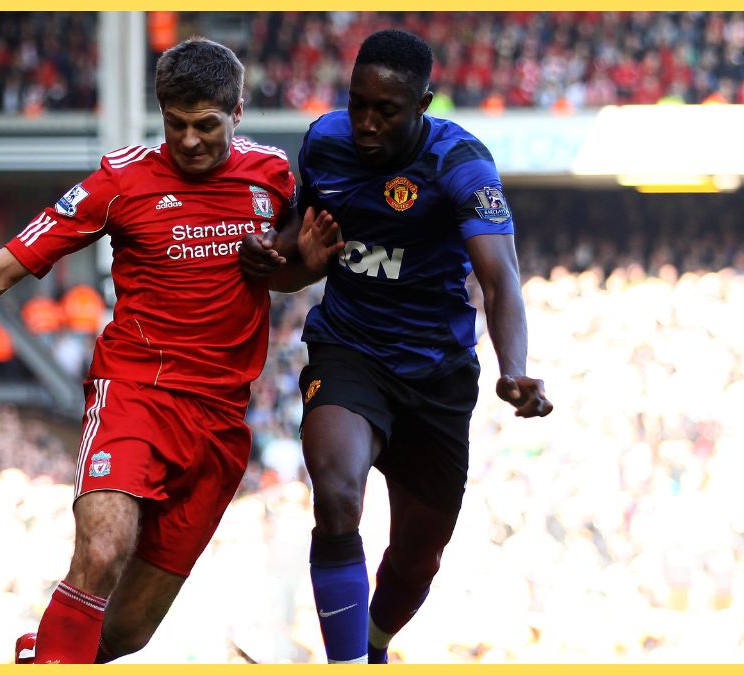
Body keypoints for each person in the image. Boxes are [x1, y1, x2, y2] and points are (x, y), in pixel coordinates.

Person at [0, 37, 303, 665]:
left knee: (129, 632)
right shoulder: (121, 180)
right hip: (137, 394)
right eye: (175, 124)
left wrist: (291, 261)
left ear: (237, 111)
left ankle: (42, 656)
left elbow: (294, 264)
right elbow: (4, 268)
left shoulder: (273, 174)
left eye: (205, 125)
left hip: (220, 421)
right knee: (102, 549)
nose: (189, 140)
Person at [241, 29, 553, 664]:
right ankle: (350, 662)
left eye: (385, 110)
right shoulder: (325, 143)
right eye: (357, 102)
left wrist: (514, 369)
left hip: (437, 374)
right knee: (335, 495)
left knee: (417, 560)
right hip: (350, 349)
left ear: (424, 104)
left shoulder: (461, 163)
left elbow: (500, 277)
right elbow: (294, 265)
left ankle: (376, 645)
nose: (365, 122)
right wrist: (276, 255)